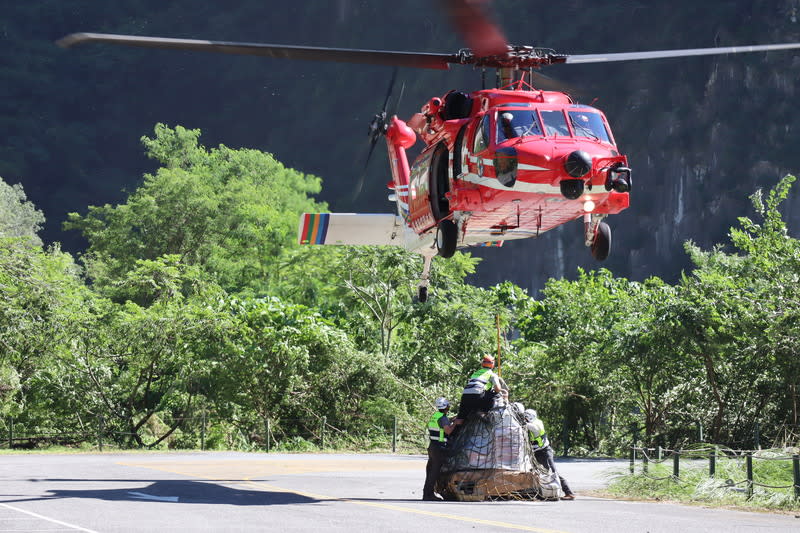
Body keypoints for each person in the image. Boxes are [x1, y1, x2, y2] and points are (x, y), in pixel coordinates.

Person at [525, 408, 575, 500]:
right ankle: (543, 492)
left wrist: (522, 423)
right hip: (536, 453)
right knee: (537, 473)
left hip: (545, 452)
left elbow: (532, 428)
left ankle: (569, 492)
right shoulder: (532, 423)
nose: (525, 420)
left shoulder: (536, 424)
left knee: (553, 472)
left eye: (526, 418)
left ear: (530, 417)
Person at [423, 397, 459, 501]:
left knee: (430, 471)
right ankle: (429, 495)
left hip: (432, 446)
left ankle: (427, 494)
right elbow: (448, 431)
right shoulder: (443, 418)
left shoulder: (436, 416)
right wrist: (455, 423)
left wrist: (452, 420)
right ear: (446, 407)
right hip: (439, 447)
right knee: (435, 472)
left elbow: (442, 424)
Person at [456, 355, 507, 421]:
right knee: (497, 394)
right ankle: (483, 412)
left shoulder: (475, 373)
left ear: (482, 363)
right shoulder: (492, 374)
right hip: (478, 396)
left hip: (465, 397)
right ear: (492, 364)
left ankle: (456, 426)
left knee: (460, 419)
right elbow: (497, 389)